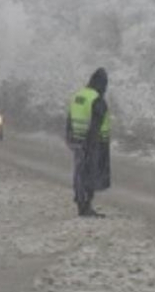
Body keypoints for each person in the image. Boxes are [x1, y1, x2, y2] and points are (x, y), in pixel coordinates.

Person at [65, 67, 111, 217]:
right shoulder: (96, 100)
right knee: (89, 174)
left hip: (77, 140)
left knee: (79, 172)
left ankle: (81, 203)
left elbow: (69, 119)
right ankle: (86, 206)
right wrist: (91, 144)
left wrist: (69, 138)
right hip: (93, 143)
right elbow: (95, 125)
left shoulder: (77, 96)